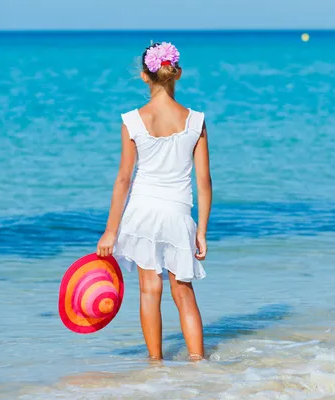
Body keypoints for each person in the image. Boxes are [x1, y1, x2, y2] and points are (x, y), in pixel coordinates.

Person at [96, 42, 212, 361]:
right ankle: (198, 364)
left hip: (142, 213)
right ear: (178, 74)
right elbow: (203, 182)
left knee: (150, 291)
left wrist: (110, 231)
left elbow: (123, 178)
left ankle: (155, 368)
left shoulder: (133, 120)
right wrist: (201, 230)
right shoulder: (195, 120)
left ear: (145, 77)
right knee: (184, 292)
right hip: (178, 215)